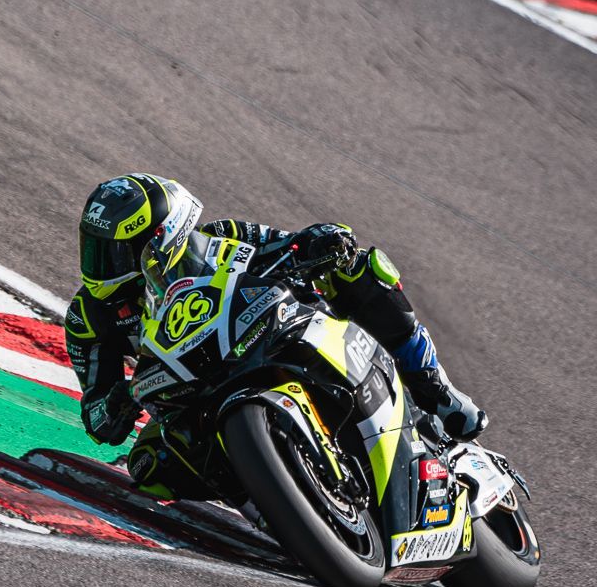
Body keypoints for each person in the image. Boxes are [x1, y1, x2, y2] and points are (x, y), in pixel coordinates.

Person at [64, 173, 487, 501]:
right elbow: (97, 413)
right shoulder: (88, 317)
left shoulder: (222, 237)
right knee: (150, 466)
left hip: (265, 335)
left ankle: (436, 388)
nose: (101, 265)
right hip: (191, 393)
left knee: (359, 269)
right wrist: (114, 406)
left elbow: (290, 247)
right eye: (94, 249)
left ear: (162, 237)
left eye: (116, 252)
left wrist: (319, 242)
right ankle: (272, 504)